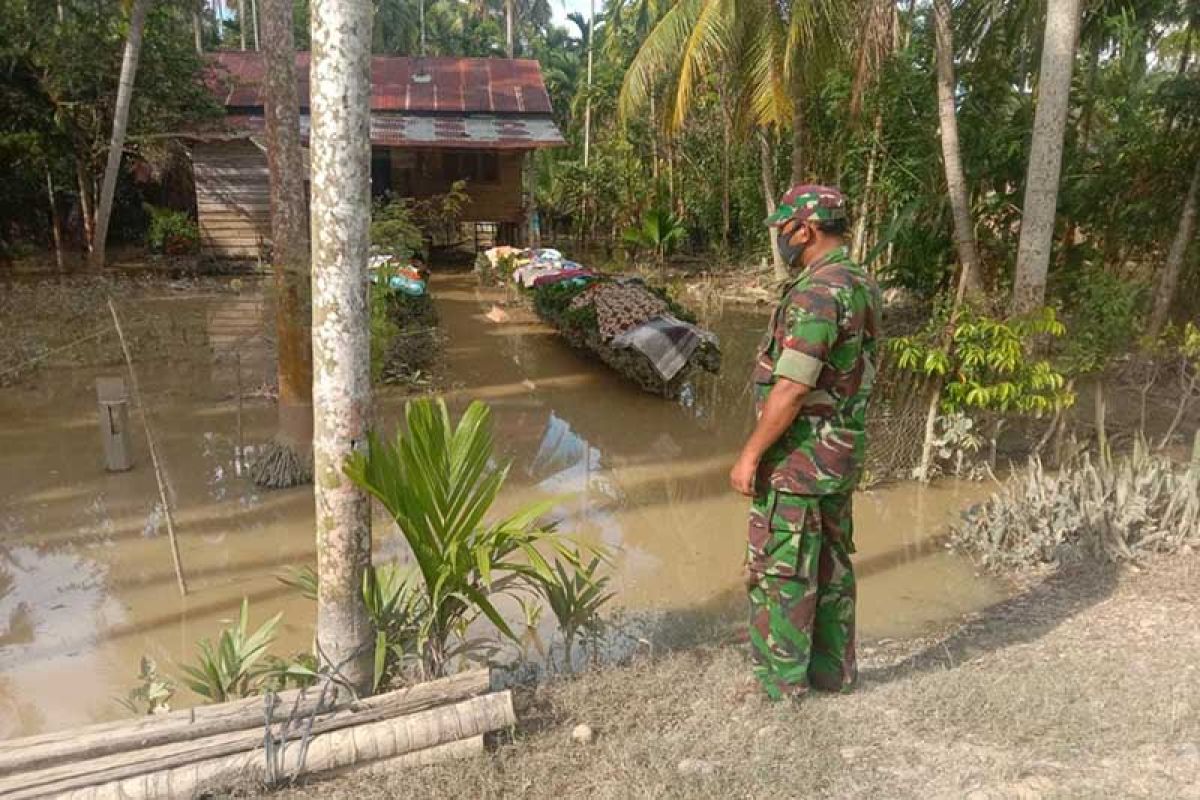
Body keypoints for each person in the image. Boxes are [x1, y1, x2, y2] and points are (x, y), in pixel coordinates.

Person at [729, 184, 882, 701]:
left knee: (784, 571)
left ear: (807, 229)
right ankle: (833, 674)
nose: (782, 241)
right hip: (839, 453)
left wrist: (751, 453)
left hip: (800, 459)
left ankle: (780, 684)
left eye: (785, 231)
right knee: (832, 567)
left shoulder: (818, 292)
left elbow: (793, 386)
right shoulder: (858, 282)